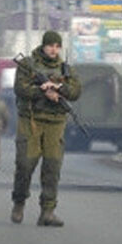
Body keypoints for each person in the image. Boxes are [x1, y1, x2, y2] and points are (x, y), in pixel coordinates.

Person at [11, 30, 81, 227]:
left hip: (55, 123)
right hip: (31, 120)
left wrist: (59, 88)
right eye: (50, 45)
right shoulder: (28, 64)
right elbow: (20, 88)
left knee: (52, 167)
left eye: (57, 46)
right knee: (25, 164)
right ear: (43, 45)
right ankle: (19, 201)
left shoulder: (65, 69)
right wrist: (42, 92)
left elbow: (76, 92)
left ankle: (47, 212)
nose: (54, 49)